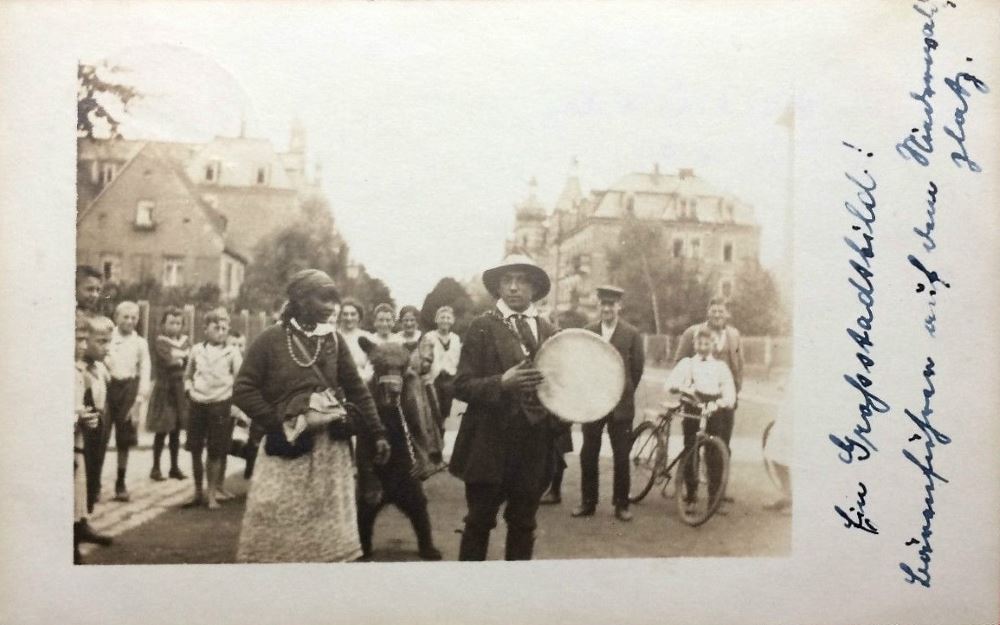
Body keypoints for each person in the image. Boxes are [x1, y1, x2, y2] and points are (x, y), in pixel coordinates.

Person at [233, 269, 390, 563]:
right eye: (324, 299)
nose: (332, 307)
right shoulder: (270, 340)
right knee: (278, 528)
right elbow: (243, 389)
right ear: (301, 299)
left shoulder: (333, 340)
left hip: (330, 453)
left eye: (334, 300)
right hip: (286, 451)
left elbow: (357, 390)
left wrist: (378, 432)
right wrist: (277, 423)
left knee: (326, 538)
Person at [450, 254, 560, 561]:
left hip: (534, 447)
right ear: (498, 286)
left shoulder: (549, 331)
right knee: (479, 523)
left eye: (521, 280)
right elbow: (461, 384)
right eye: (507, 280)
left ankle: (515, 595)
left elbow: (562, 388)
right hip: (490, 444)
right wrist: (502, 383)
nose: (513, 287)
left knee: (524, 526)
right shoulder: (481, 326)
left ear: (535, 287)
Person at [572, 285, 645, 521]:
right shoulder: (588, 331)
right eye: (603, 304)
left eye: (611, 304)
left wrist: (621, 391)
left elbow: (637, 370)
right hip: (593, 403)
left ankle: (622, 504)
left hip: (620, 405)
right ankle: (588, 502)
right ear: (598, 306)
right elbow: (582, 365)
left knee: (621, 455)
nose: (607, 308)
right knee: (588, 453)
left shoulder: (631, 334)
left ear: (619, 307)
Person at [673, 298, 744, 501]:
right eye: (714, 311)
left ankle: (717, 493)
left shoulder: (734, 335)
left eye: (721, 312)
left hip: (724, 400)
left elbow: (739, 365)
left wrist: (734, 393)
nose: (717, 315)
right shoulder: (692, 333)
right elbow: (680, 362)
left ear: (726, 314)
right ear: (708, 312)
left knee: (721, 447)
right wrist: (688, 390)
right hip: (696, 399)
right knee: (691, 446)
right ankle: (690, 491)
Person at [666, 326, 736, 510]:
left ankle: (714, 499)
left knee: (714, 454)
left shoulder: (720, 367)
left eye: (707, 343)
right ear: (694, 344)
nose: (703, 346)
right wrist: (682, 388)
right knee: (691, 449)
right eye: (699, 343)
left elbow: (729, 391)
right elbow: (671, 383)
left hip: (714, 409)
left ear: (713, 345)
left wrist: (721, 402)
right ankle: (690, 496)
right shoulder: (687, 363)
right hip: (692, 406)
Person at [183, 309, 242, 510]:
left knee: (215, 451)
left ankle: (212, 494)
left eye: (225, 328)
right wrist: (189, 390)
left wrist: (235, 404)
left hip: (220, 403)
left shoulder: (232, 352)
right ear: (205, 329)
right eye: (216, 327)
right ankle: (198, 491)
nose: (221, 331)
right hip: (198, 403)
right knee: (195, 448)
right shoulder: (197, 350)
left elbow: (240, 381)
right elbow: (188, 374)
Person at [104, 301, 151, 502]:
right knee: (100, 436)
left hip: (128, 391)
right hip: (107, 389)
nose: (130, 321)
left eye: (134, 318)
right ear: (116, 317)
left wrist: (139, 401)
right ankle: (93, 483)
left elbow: (145, 371)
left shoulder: (140, 343)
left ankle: (120, 483)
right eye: (126, 317)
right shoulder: (108, 337)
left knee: (124, 440)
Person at [74, 315, 112, 561]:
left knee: (91, 481)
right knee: (78, 483)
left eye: (109, 342)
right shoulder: (78, 371)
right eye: (101, 342)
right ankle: (73, 540)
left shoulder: (100, 369)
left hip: (96, 428)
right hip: (80, 433)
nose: (105, 348)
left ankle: (83, 523)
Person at [146, 307, 189, 482]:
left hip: (178, 390)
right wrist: (180, 357)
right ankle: (155, 467)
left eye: (178, 323)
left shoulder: (185, 341)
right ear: (164, 324)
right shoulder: (160, 342)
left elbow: (187, 359)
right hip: (164, 389)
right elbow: (170, 361)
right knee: (162, 429)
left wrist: (180, 357)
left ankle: (174, 467)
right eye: (171, 322)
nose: (175, 326)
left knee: (176, 430)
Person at [76, 265, 106, 511]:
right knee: (79, 458)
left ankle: (85, 516)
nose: (94, 294)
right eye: (89, 289)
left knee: (94, 455)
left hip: (93, 385)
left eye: (98, 290)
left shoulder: (95, 317)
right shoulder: (71, 317)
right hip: (76, 385)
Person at [423, 306, 461, 432]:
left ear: (452, 321)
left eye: (448, 318)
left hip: (450, 379)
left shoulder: (455, 338)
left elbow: (457, 358)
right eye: (442, 317)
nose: (445, 320)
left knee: (446, 412)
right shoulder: (429, 336)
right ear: (436, 319)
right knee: (433, 410)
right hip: (433, 378)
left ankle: (442, 435)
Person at [337, 298, 375, 383]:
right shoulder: (333, 337)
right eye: (345, 314)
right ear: (340, 316)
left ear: (359, 316)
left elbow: (371, 365)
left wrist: (362, 380)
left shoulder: (368, 337)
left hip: (363, 384)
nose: (349, 318)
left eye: (353, 314)